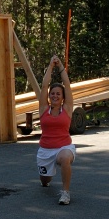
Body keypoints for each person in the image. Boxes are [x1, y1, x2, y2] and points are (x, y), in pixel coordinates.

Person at [36, 55, 75, 205]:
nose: (55, 95)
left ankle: (65, 193)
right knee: (45, 181)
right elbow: (44, 86)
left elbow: (67, 84)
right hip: (45, 150)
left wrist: (60, 67)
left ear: (63, 97)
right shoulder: (43, 109)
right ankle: (46, 178)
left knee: (65, 158)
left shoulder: (67, 109)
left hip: (64, 147)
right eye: (53, 93)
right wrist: (50, 66)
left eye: (58, 93)